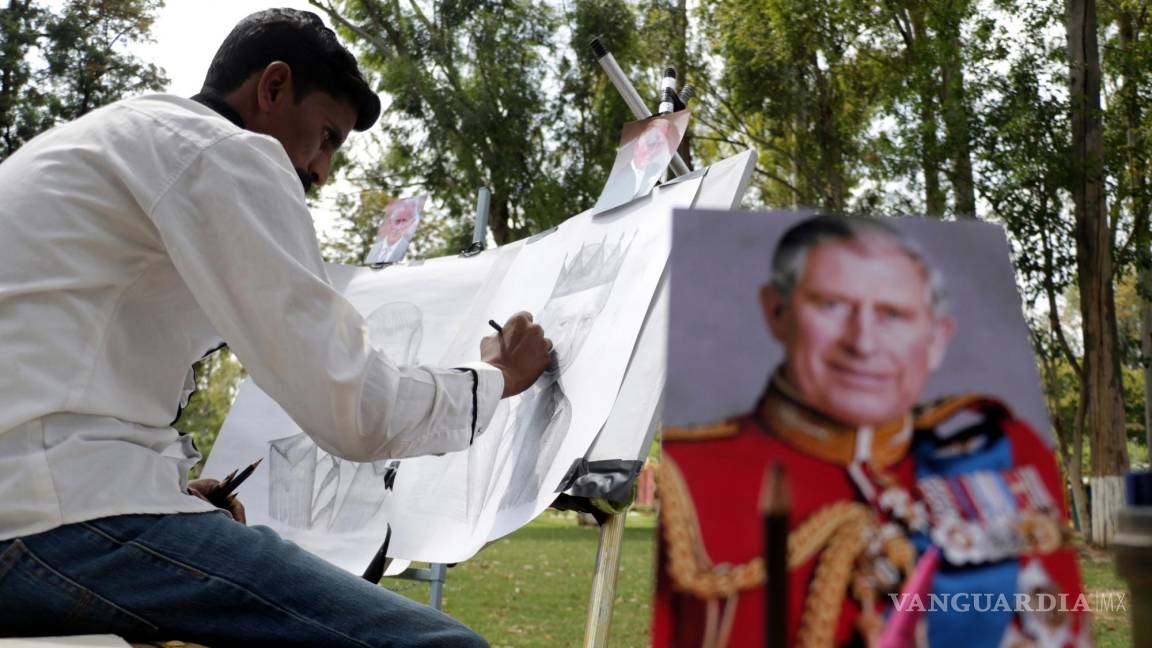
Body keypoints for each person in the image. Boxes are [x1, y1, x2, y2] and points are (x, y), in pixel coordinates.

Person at [0, 9, 550, 647]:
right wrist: (497, 378)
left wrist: (168, 488)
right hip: (50, 519)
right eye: (325, 137)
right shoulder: (222, 152)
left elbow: (58, 378)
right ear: (272, 87)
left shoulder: (98, 142)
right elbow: (357, 409)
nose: (320, 171)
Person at [653, 215, 1090, 647]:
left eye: (893, 314)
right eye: (831, 305)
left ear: (937, 339)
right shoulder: (687, 477)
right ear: (776, 311)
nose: (863, 343)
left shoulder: (1007, 453)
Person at [367, 197, 424, 265]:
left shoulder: (411, 250)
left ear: (410, 224)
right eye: (397, 221)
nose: (400, 226)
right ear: (390, 222)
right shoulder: (375, 249)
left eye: (404, 221)